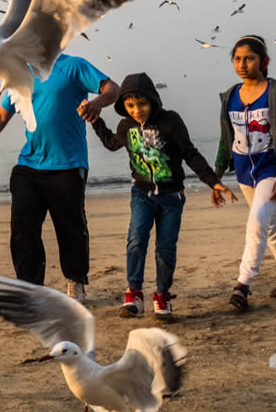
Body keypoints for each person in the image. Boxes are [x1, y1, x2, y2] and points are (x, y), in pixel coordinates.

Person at [0, 54, 119, 303]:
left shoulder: (74, 66)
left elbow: (113, 88)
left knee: (71, 229)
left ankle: (76, 281)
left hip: (68, 165)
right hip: (30, 164)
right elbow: (1, 116)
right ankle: (30, 288)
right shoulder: (21, 75)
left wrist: (98, 103)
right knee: (22, 229)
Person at [90, 72, 236, 320]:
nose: (137, 110)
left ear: (153, 100)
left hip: (171, 197)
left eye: (142, 104)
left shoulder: (170, 122)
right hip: (141, 195)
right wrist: (96, 121)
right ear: (124, 106)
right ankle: (134, 294)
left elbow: (190, 154)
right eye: (130, 105)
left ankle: (162, 295)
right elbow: (112, 143)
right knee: (136, 239)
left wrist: (214, 182)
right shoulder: (126, 126)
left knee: (165, 249)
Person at [214, 35, 276, 311]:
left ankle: (242, 284)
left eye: (249, 58)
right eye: (238, 59)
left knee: (256, 224)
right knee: (271, 225)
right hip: (244, 172)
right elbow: (225, 138)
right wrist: (215, 176)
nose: (243, 64)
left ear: (263, 61)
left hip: (270, 170)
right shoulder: (230, 96)